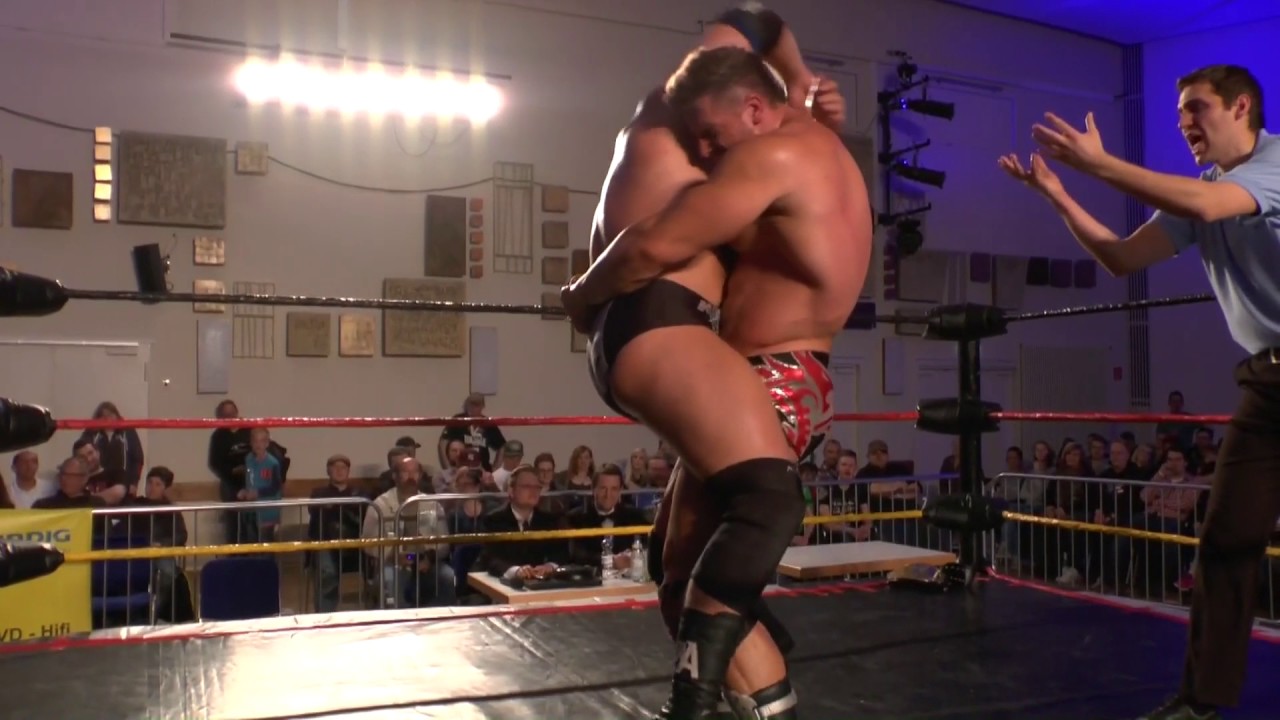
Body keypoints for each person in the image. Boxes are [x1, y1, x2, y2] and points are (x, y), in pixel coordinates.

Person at [564, 40, 866, 720]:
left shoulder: (772, 155)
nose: (703, 152)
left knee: (738, 532)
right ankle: (761, 702)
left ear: (755, 109)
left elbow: (653, 244)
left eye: (709, 133)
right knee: (677, 576)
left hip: (772, 375)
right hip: (790, 377)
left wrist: (579, 296)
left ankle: (691, 706)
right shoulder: (815, 149)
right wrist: (804, 79)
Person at [997, 64, 1280, 720]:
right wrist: (1057, 193)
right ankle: (1201, 703)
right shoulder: (1203, 189)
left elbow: (1208, 207)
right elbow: (1121, 257)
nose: (1184, 123)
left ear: (1241, 107)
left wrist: (1101, 165)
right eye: (1179, 112)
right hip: (1267, 384)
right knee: (1226, 539)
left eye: (1196, 108)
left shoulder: (1271, 166)